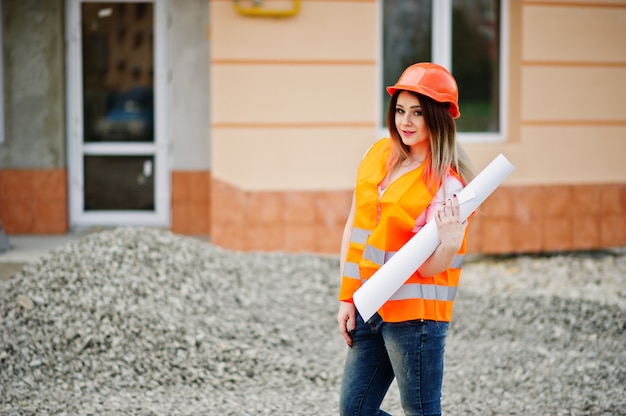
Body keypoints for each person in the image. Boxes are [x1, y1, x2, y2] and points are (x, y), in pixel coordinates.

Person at [336, 62, 474, 416]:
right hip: (370, 304)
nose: (405, 122)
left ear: (439, 118)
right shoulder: (378, 156)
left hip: (415, 318)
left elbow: (430, 268)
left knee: (421, 411)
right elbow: (355, 228)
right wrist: (347, 297)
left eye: (417, 112)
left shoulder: (447, 184)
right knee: (354, 411)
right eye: (400, 110)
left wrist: (448, 243)